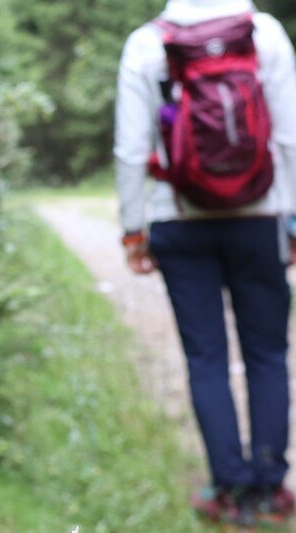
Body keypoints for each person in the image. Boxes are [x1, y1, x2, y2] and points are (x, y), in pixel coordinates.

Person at [115, 0, 296, 528]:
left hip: (179, 218)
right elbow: (288, 137)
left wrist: (132, 227)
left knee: (206, 358)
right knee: (267, 352)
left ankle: (229, 490)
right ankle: (269, 488)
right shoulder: (265, 34)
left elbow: (131, 149)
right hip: (261, 217)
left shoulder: (147, 43)